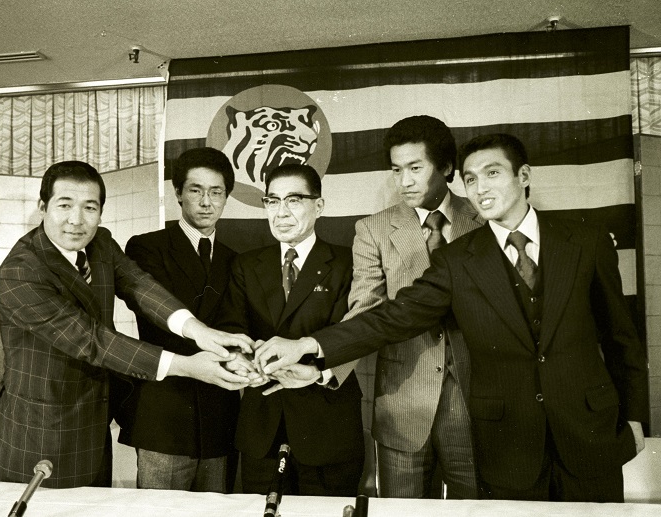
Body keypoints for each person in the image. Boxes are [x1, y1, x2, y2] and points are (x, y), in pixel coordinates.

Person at [256, 134, 648, 502]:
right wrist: (309, 345)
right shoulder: (457, 259)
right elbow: (390, 317)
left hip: (588, 434)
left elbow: (621, 337)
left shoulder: (586, 241)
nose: (480, 188)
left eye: (492, 173)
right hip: (510, 446)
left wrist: (635, 417)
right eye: (471, 179)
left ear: (524, 175)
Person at [0, 160, 254, 489]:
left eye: (89, 207)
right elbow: (92, 340)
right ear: (43, 207)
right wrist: (187, 366)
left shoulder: (99, 243)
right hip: (37, 434)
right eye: (65, 205)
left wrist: (199, 331)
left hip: (93, 429)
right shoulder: (20, 272)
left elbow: (139, 285)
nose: (76, 220)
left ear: (101, 212)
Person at [330, 115, 482, 498]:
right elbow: (365, 310)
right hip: (402, 404)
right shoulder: (373, 229)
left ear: (445, 167)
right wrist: (325, 366)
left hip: (476, 400)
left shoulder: (484, 219)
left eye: (415, 168)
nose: (404, 182)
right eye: (396, 170)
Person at [215, 164, 365, 496]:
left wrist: (317, 372)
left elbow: (355, 332)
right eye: (272, 201)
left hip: (327, 426)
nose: (281, 212)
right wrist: (240, 360)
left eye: (293, 200)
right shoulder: (246, 265)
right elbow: (231, 326)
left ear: (319, 206)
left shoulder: (348, 263)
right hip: (262, 427)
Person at [114, 148, 240, 492]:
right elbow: (153, 311)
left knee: (217, 513)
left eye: (216, 192)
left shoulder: (236, 260)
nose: (206, 202)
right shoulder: (146, 247)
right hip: (165, 415)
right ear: (178, 193)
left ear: (226, 197)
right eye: (196, 190)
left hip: (220, 416)